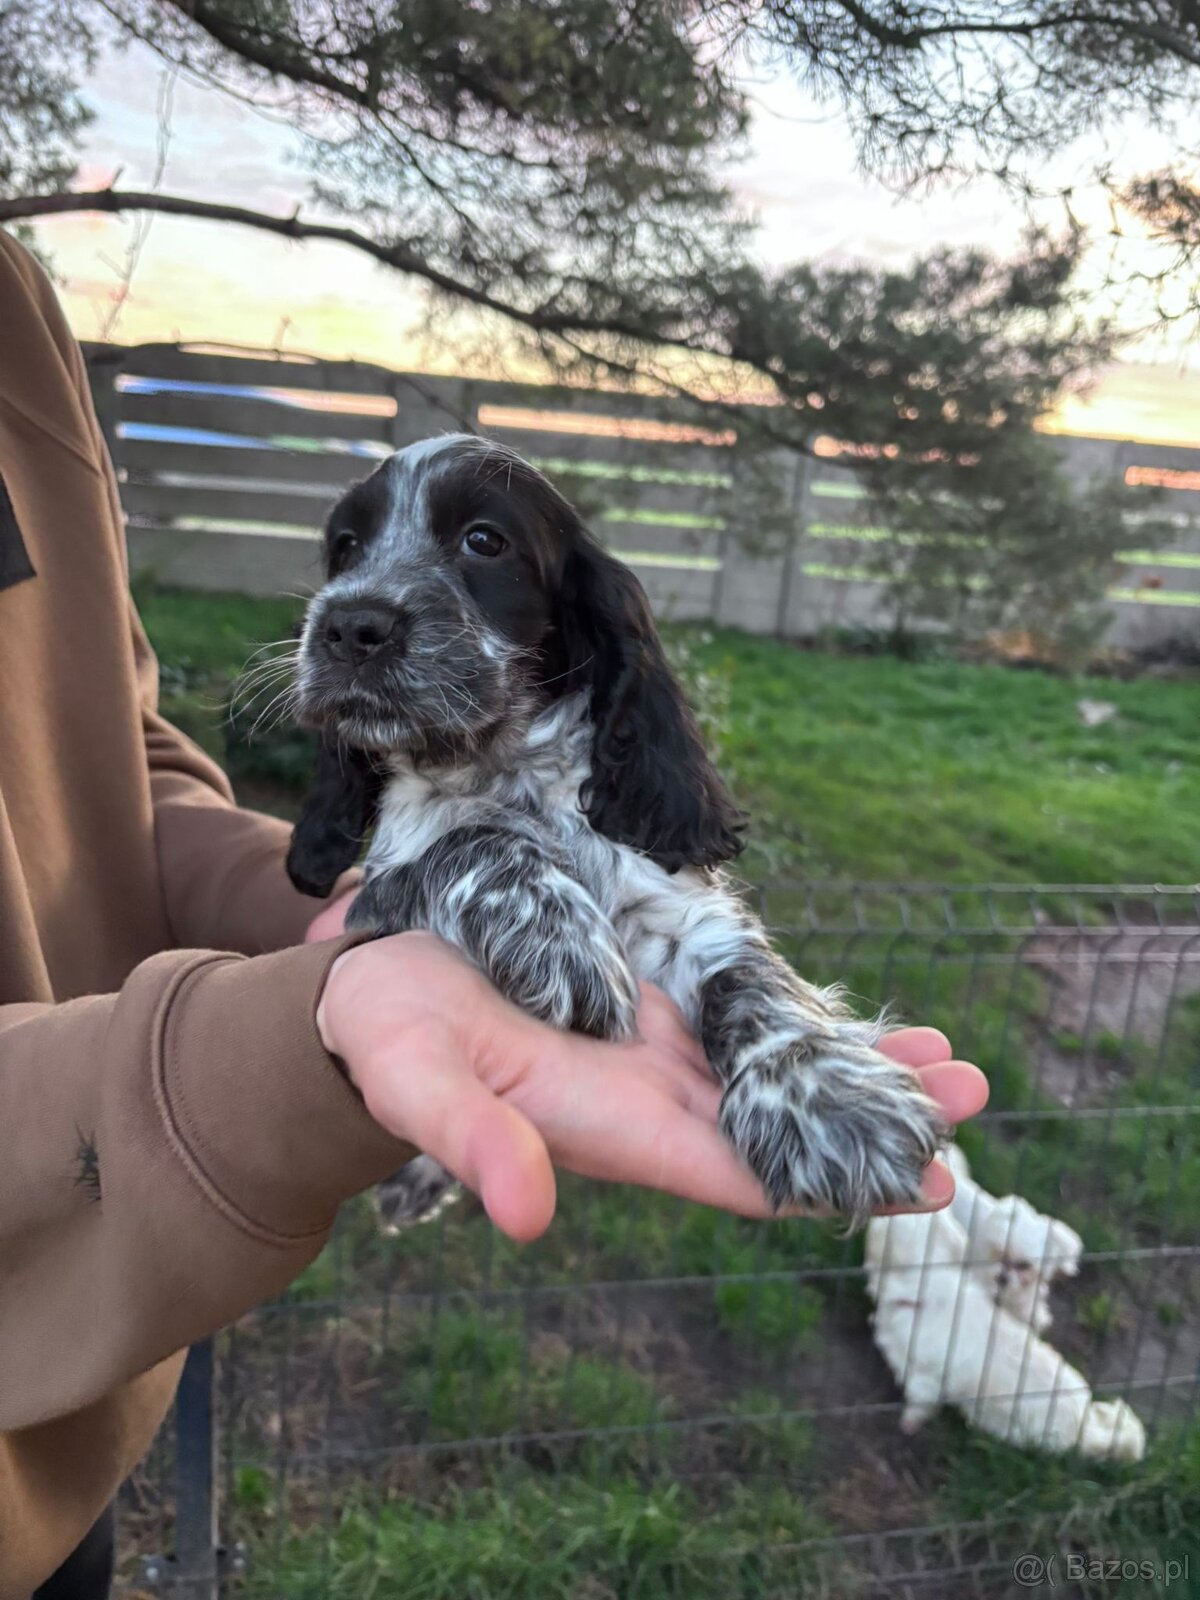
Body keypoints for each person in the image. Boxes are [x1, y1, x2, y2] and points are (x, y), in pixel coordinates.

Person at [0, 229, 987, 1597]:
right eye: (348, 553)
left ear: (574, 631)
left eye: (475, 549)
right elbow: (377, 888)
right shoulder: (414, 789)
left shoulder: (16, 309)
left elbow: (688, 924)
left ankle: (788, 1068)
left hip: (62, 1420)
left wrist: (773, 1036)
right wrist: (446, 894)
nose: (359, 599)